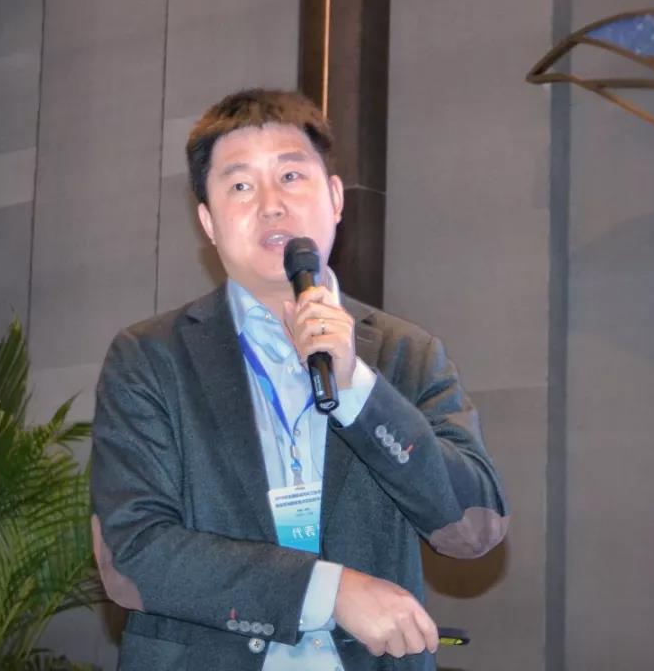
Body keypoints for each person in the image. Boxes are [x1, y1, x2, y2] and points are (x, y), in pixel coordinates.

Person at [90, 88, 509, 670]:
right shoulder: (149, 358)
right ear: (208, 222)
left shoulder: (407, 353)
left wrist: (358, 389)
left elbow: (472, 528)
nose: (271, 204)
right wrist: (327, 591)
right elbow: (131, 552)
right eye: (241, 185)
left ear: (335, 198)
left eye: (291, 176)